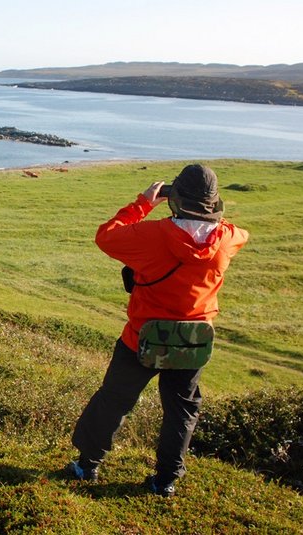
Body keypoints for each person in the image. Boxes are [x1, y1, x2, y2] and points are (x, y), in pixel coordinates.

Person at [68, 164, 249, 497]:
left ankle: (86, 465)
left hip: (141, 338)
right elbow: (238, 232)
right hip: (192, 343)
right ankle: (165, 481)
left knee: (114, 401)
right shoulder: (228, 239)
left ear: (174, 198)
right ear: (213, 204)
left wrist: (143, 203)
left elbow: (105, 235)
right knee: (181, 411)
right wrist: (210, 219)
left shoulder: (151, 236)